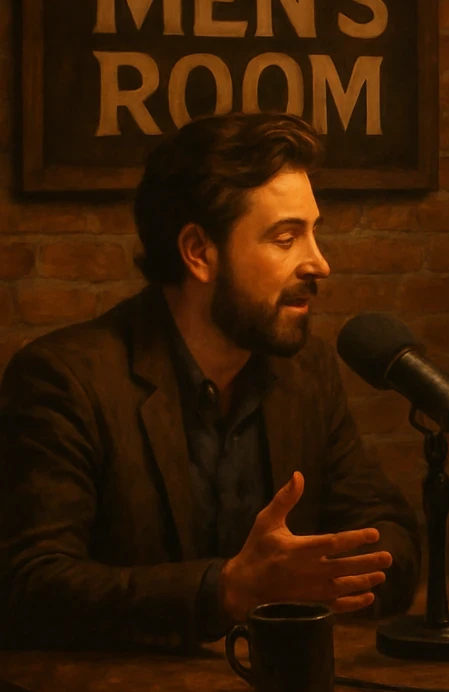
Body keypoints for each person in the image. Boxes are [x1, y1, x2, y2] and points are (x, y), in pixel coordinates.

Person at [0, 113, 421, 651]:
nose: (320, 263)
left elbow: (391, 533)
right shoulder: (67, 380)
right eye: (286, 238)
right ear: (199, 252)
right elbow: (30, 586)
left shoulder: (304, 371)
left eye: (314, 234)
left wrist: (328, 574)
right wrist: (223, 591)